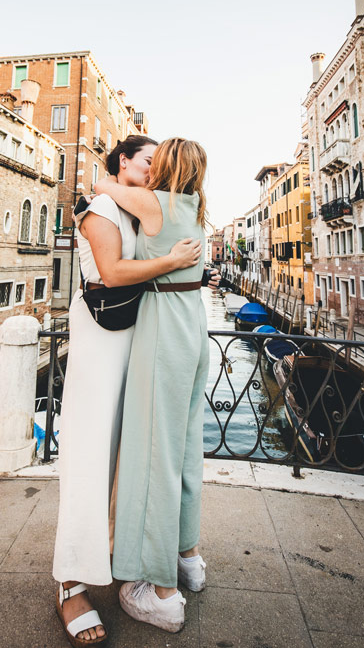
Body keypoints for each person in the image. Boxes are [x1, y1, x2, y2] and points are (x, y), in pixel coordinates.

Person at [53, 134, 203, 647]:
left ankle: (118, 554)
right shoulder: (100, 206)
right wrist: (173, 261)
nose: (155, 170)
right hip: (100, 344)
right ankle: (70, 583)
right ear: (124, 163)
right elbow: (114, 273)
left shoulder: (140, 208)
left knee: (126, 459)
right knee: (90, 457)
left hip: (135, 345)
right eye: (147, 161)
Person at [94, 137, 209, 634]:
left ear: (165, 166)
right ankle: (189, 557)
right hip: (194, 328)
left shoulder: (153, 202)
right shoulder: (196, 205)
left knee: (156, 454)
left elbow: (100, 184)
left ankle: (162, 591)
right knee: (185, 449)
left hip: (163, 327)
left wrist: (117, 176)